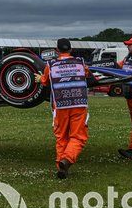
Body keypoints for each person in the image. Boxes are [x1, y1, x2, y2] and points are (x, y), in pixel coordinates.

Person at [36, 38, 96, 179]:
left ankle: (61, 167)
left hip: (60, 105)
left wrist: (39, 78)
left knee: (61, 137)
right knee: (78, 136)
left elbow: (44, 81)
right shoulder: (80, 63)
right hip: (79, 104)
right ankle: (67, 160)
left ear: (57, 51)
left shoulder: (50, 64)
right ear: (71, 49)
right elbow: (89, 76)